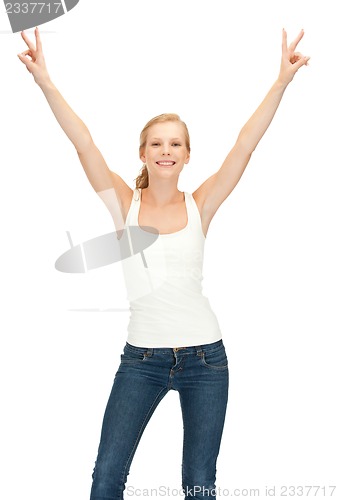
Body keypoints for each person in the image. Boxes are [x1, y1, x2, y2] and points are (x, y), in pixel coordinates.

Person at [17, 27, 309, 500]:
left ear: (188, 155)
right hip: (141, 361)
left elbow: (244, 147)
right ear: (143, 153)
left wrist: (280, 82)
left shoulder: (202, 204)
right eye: (157, 144)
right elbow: (84, 144)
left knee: (199, 484)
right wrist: (46, 82)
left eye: (175, 144)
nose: (166, 151)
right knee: (107, 478)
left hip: (206, 361)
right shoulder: (124, 205)